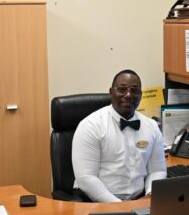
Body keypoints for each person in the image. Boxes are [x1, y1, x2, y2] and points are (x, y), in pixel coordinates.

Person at [71, 69, 167, 202]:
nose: (128, 95)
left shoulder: (152, 127)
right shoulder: (90, 125)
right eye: (122, 89)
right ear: (111, 92)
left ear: (141, 94)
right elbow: (86, 178)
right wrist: (119, 206)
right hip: (94, 201)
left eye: (134, 91)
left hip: (139, 199)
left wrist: (149, 196)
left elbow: (158, 171)